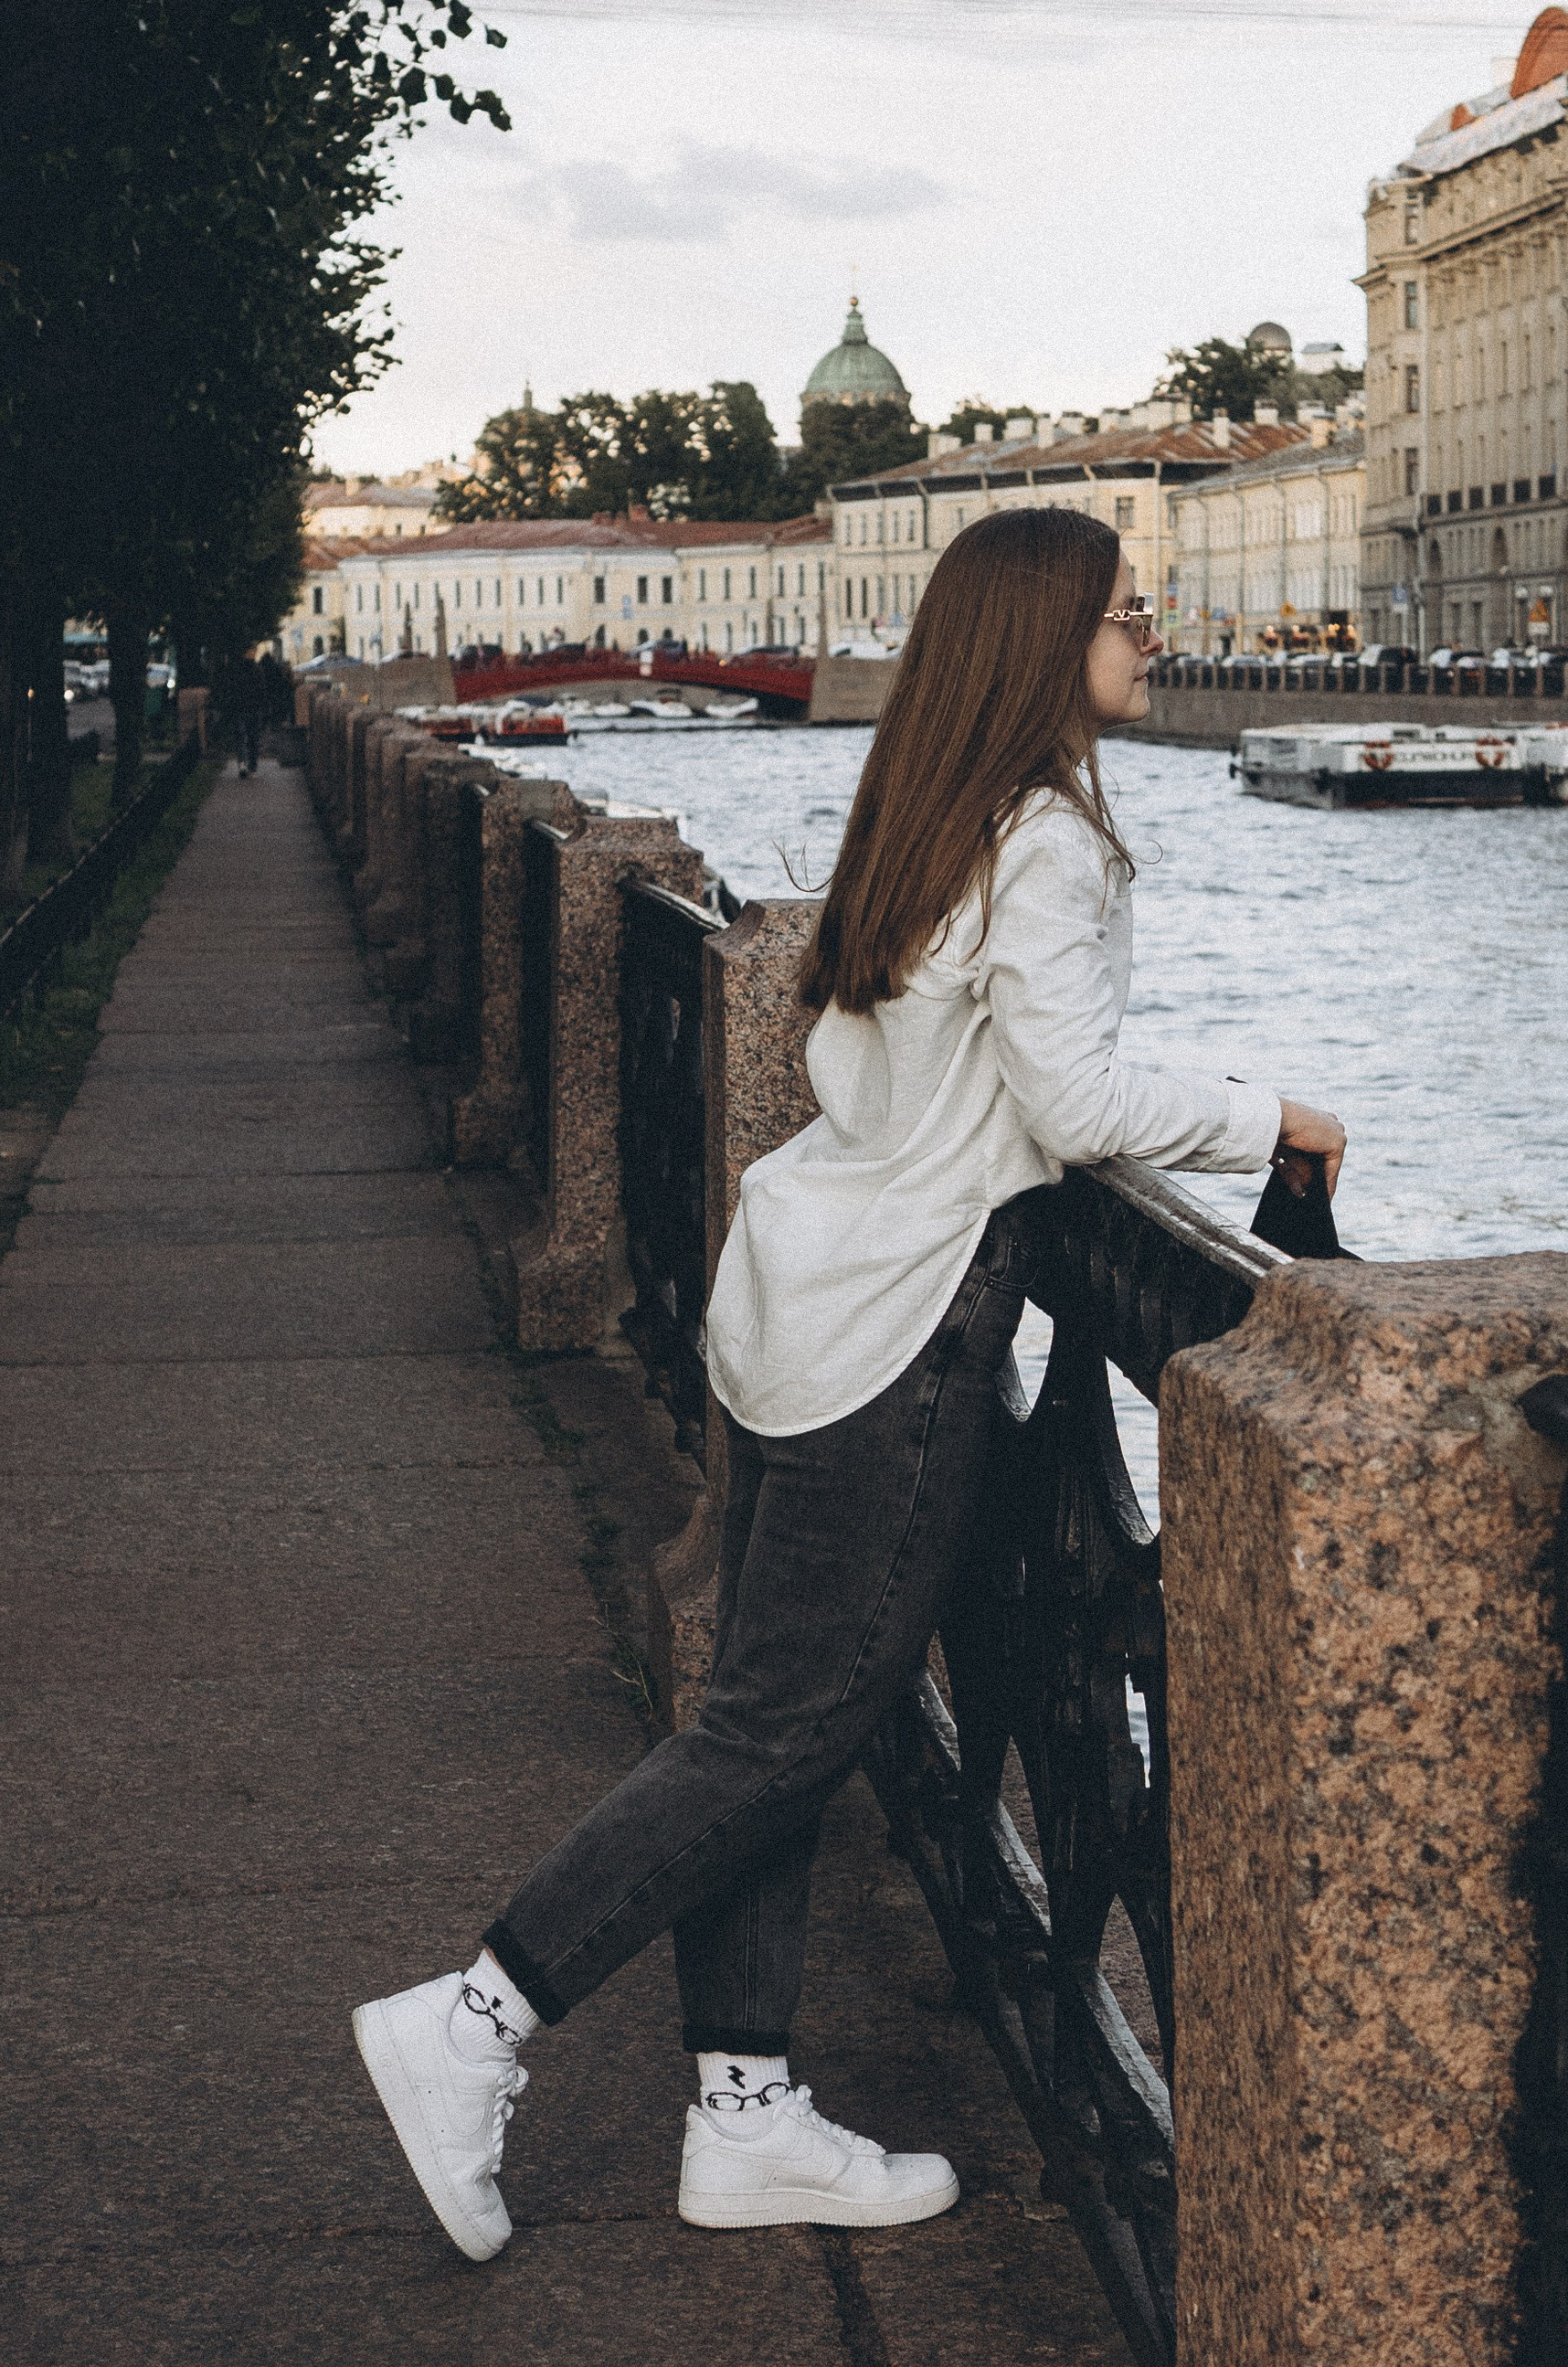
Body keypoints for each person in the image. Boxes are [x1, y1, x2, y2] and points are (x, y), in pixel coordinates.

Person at [352, 507, 1345, 2260]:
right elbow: (1081, 1104)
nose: (1154, 630)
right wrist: (1283, 1120)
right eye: (1127, 611)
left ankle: (743, 2114)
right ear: (1045, 642)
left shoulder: (924, 814)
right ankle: (476, 2021)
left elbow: (861, 1057)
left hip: (794, 1290)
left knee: (772, 1717)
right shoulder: (1042, 838)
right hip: (897, 1324)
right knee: (786, 1728)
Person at [216, 646, 266, 778]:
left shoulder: (236, 669)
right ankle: (250, 766)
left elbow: (230, 689)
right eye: (251, 651)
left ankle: (245, 764)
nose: (252, 654)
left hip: (242, 708)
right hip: (250, 709)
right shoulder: (256, 669)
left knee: (243, 737)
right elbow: (261, 690)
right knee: (250, 738)